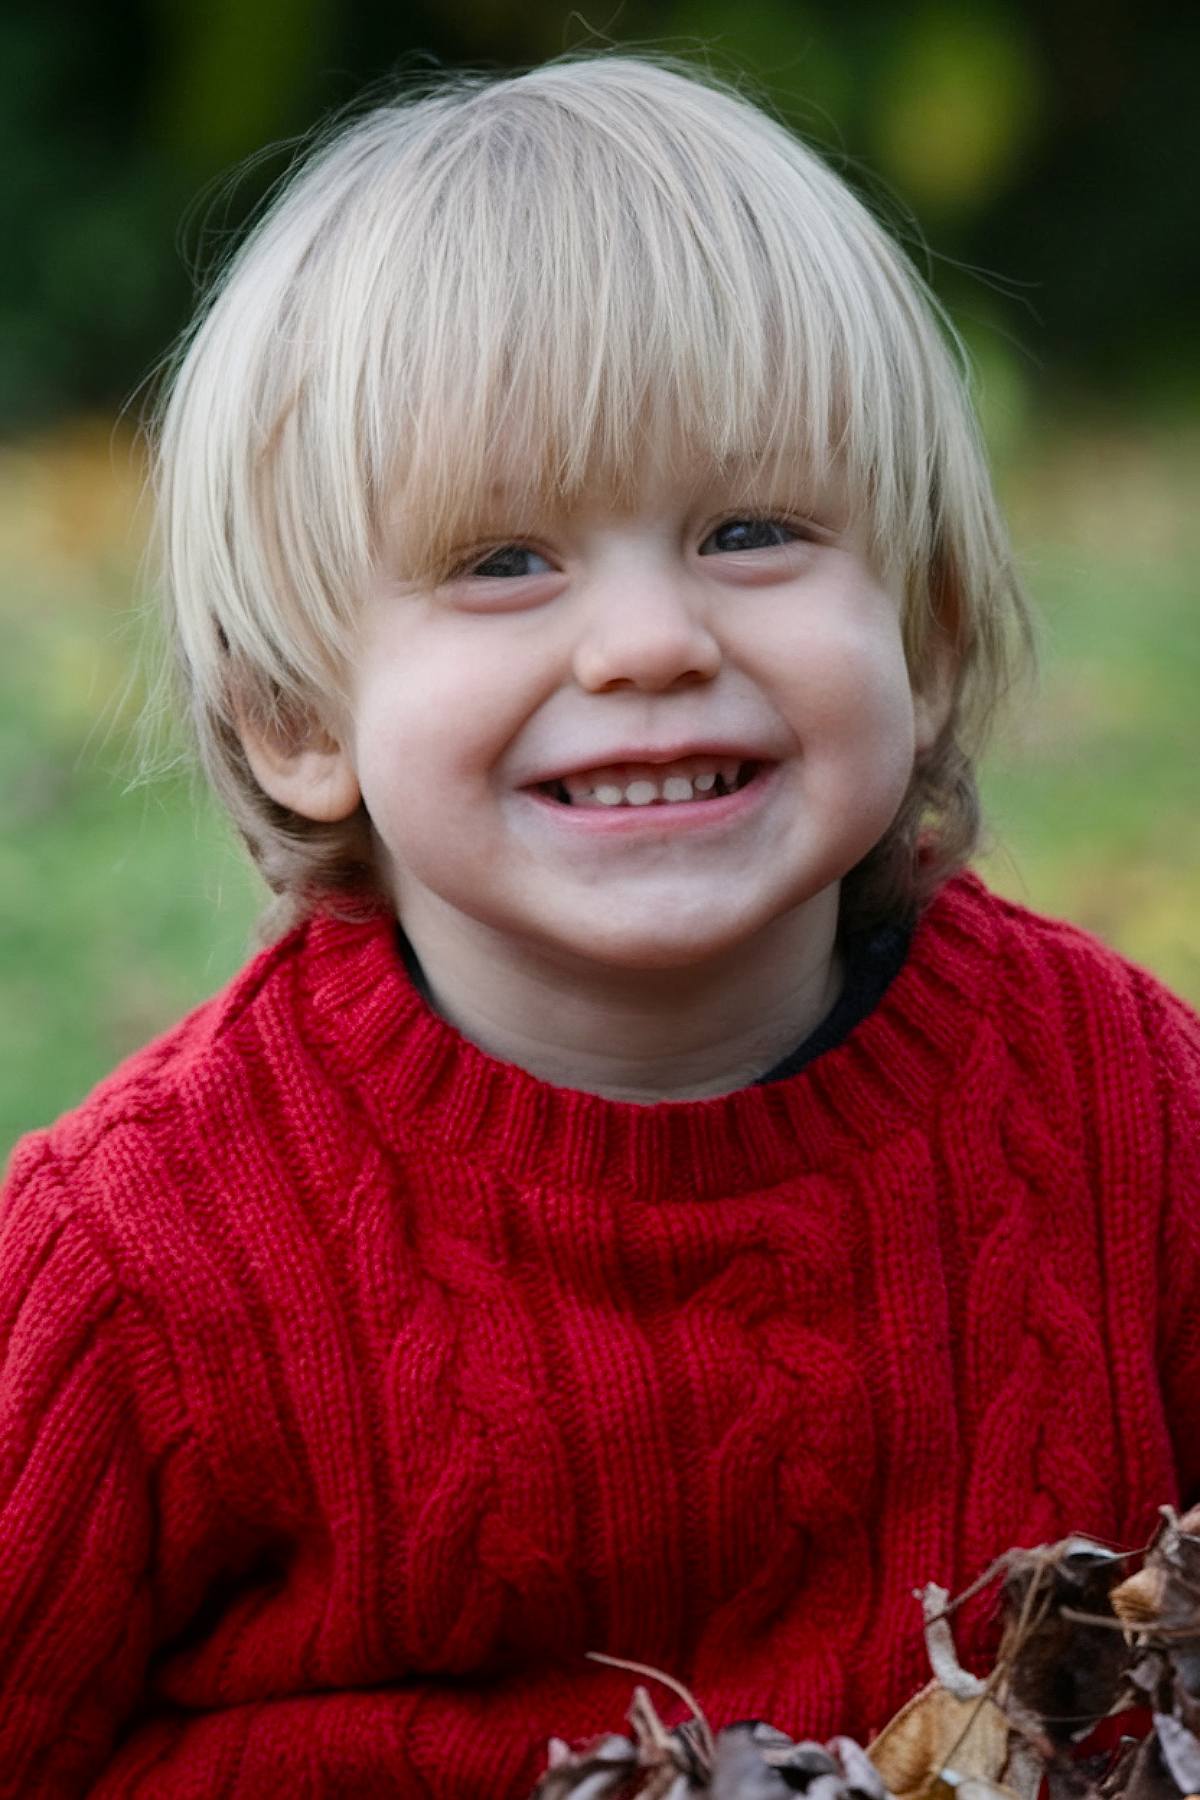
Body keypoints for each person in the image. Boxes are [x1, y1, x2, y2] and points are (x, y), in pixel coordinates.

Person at [1, 53, 1197, 1799]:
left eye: (750, 531)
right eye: (503, 563)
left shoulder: (1124, 1111)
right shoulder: (134, 1267)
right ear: (295, 718)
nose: (647, 641)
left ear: (926, 638)